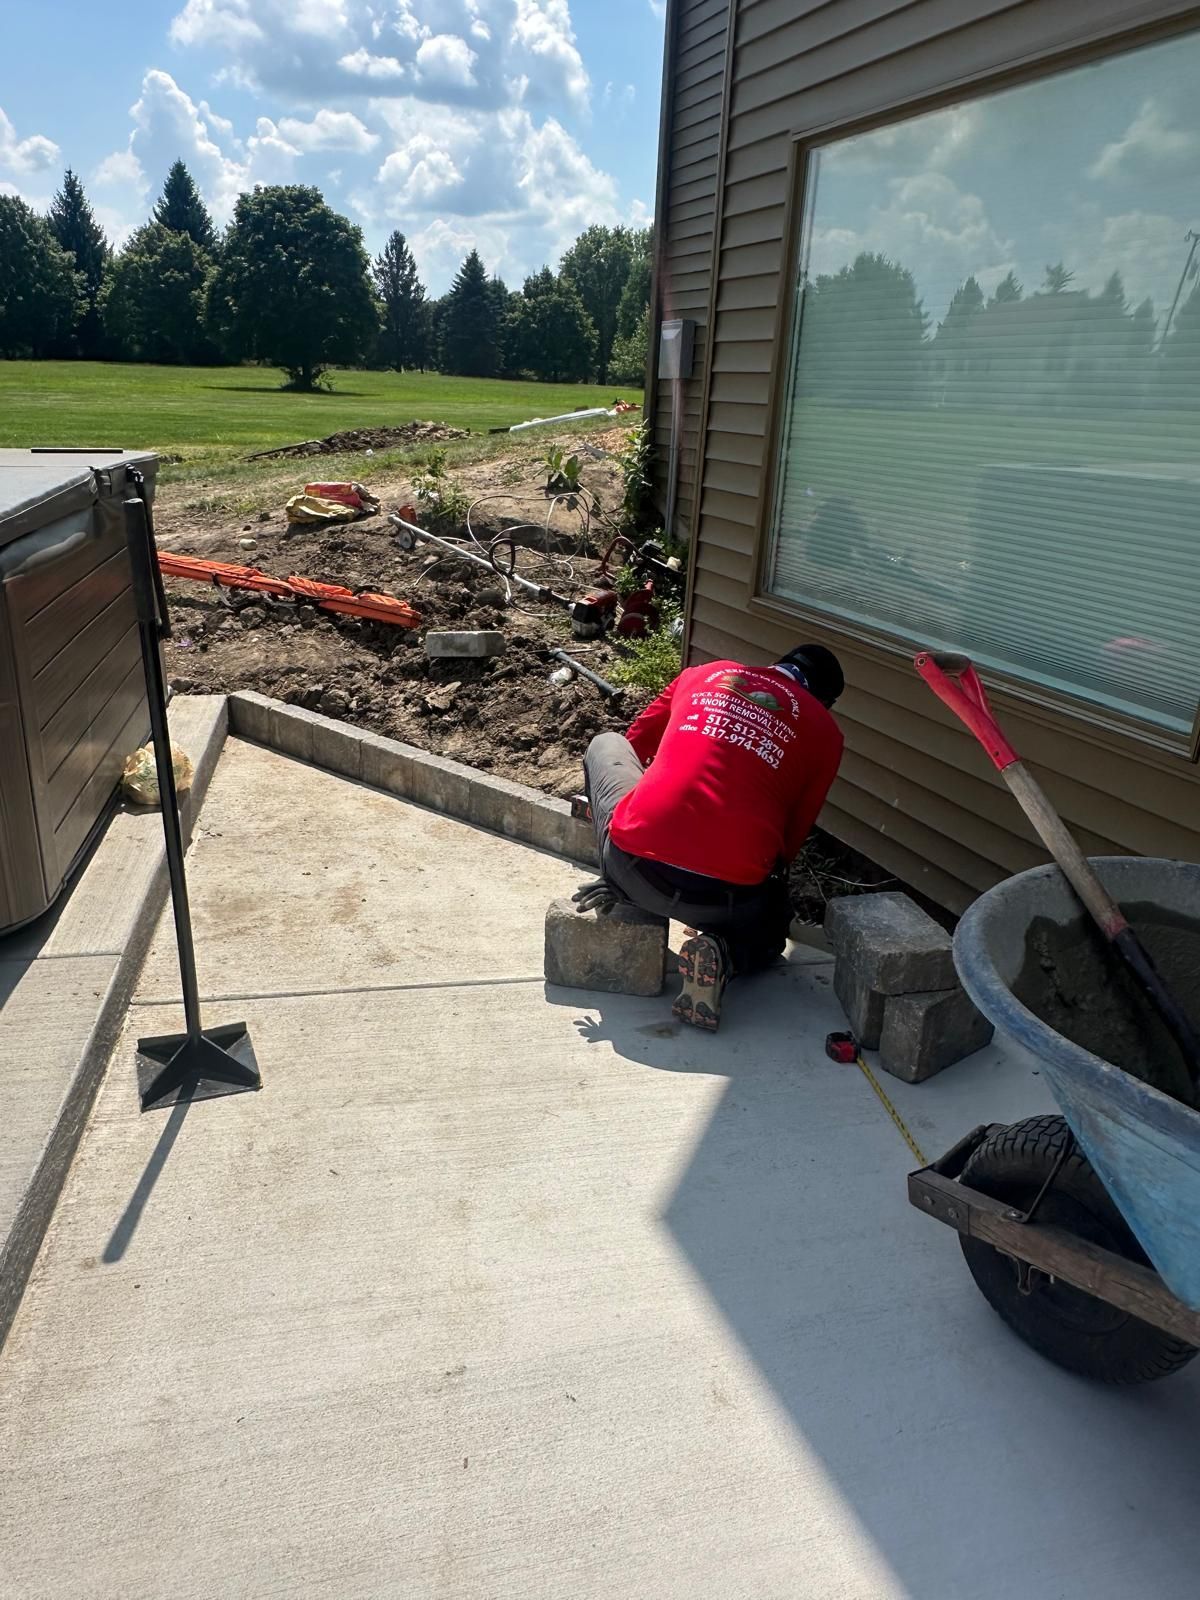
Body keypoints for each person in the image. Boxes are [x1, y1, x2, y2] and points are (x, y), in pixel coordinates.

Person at [577, 645, 845, 1031]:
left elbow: (638, 741)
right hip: (725, 903)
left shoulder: (704, 674)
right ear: (825, 701)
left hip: (635, 870)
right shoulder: (824, 730)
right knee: (769, 933)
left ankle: (615, 878)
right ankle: (726, 953)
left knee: (607, 743)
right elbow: (791, 840)